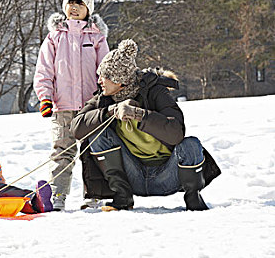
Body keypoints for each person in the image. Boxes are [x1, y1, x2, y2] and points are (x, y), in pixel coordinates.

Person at [70, 39, 221, 211]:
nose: (99, 81)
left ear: (120, 80)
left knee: (191, 144)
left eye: (104, 76)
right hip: (132, 177)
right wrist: (110, 111)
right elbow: (76, 127)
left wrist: (139, 115)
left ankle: (194, 198)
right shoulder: (103, 98)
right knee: (95, 133)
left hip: (167, 176)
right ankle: (122, 197)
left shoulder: (155, 92)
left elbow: (176, 132)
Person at [33, 0, 109, 210]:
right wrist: (45, 97)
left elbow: (104, 70)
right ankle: (57, 195)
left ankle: (94, 195)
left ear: (88, 10)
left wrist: (105, 98)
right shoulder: (54, 37)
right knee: (62, 151)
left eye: (80, 4)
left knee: (93, 150)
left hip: (90, 107)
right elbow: (44, 70)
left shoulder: (96, 37)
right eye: (71, 3)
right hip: (62, 106)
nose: (74, 8)